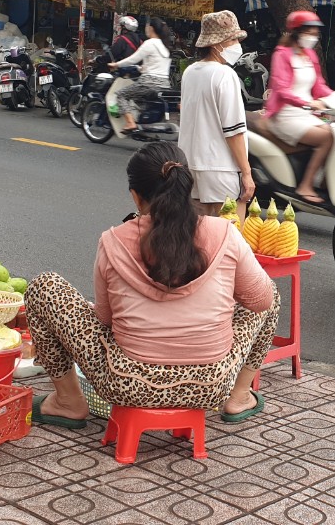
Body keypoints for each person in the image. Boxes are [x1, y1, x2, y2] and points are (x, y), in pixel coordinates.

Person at [25, 142, 281, 428]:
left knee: (43, 287)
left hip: (128, 384)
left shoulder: (113, 241)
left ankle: (68, 402)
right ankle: (239, 396)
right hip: (212, 384)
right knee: (268, 292)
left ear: (136, 196)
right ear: (187, 186)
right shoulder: (225, 233)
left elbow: (106, 320)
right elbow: (261, 303)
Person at [178, 10, 254, 217]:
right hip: (221, 170)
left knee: (196, 240)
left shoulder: (190, 72)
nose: (237, 44)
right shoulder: (225, 74)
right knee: (228, 243)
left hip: (190, 167)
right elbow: (234, 130)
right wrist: (246, 173)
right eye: (232, 39)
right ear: (216, 44)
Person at [265, 11, 335, 205]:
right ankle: (306, 185)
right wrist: (307, 103)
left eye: (315, 32)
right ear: (296, 32)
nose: (313, 36)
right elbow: (281, 88)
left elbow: (319, 85)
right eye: (309, 32)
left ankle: (324, 180)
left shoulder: (309, 54)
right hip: (285, 114)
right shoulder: (281, 54)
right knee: (327, 136)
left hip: (306, 113)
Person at [110, 17, 175, 132]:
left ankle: (130, 123)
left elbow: (133, 59)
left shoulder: (150, 43)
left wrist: (116, 65)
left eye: (147, 26)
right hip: (165, 84)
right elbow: (156, 65)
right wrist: (142, 68)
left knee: (121, 95)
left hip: (148, 83)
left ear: (151, 28)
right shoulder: (166, 46)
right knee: (140, 100)